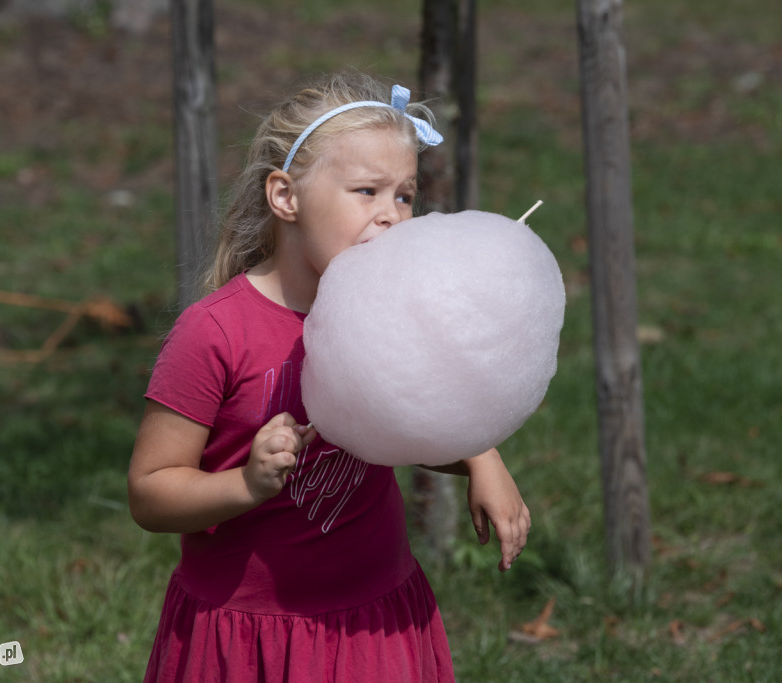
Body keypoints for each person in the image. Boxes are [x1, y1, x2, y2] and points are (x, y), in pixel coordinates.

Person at [128, 71, 531, 683]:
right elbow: (150, 492)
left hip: (373, 623)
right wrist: (246, 483)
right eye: (366, 191)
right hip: (247, 633)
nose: (393, 216)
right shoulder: (215, 332)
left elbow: (412, 427)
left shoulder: (399, 312)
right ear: (286, 197)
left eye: (404, 195)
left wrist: (481, 458)